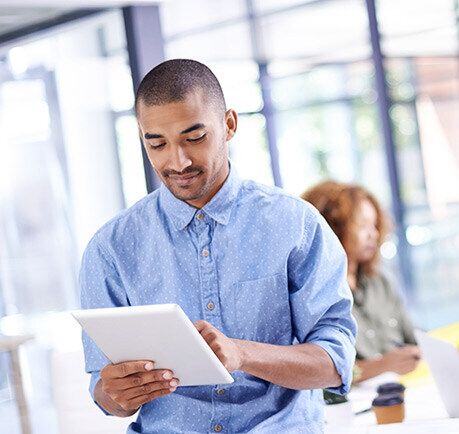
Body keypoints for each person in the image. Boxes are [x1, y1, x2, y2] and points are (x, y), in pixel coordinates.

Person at [80, 59, 356, 433]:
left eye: (194, 138)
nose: (177, 161)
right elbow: (105, 395)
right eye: (157, 143)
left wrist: (243, 354)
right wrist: (116, 395)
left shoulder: (295, 225)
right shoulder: (110, 249)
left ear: (228, 124)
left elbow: (334, 363)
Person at [302, 181, 420, 383]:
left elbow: (415, 342)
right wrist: (382, 365)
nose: (373, 234)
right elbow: (321, 374)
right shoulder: (314, 294)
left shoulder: (381, 282)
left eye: (375, 225)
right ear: (334, 229)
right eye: (363, 225)